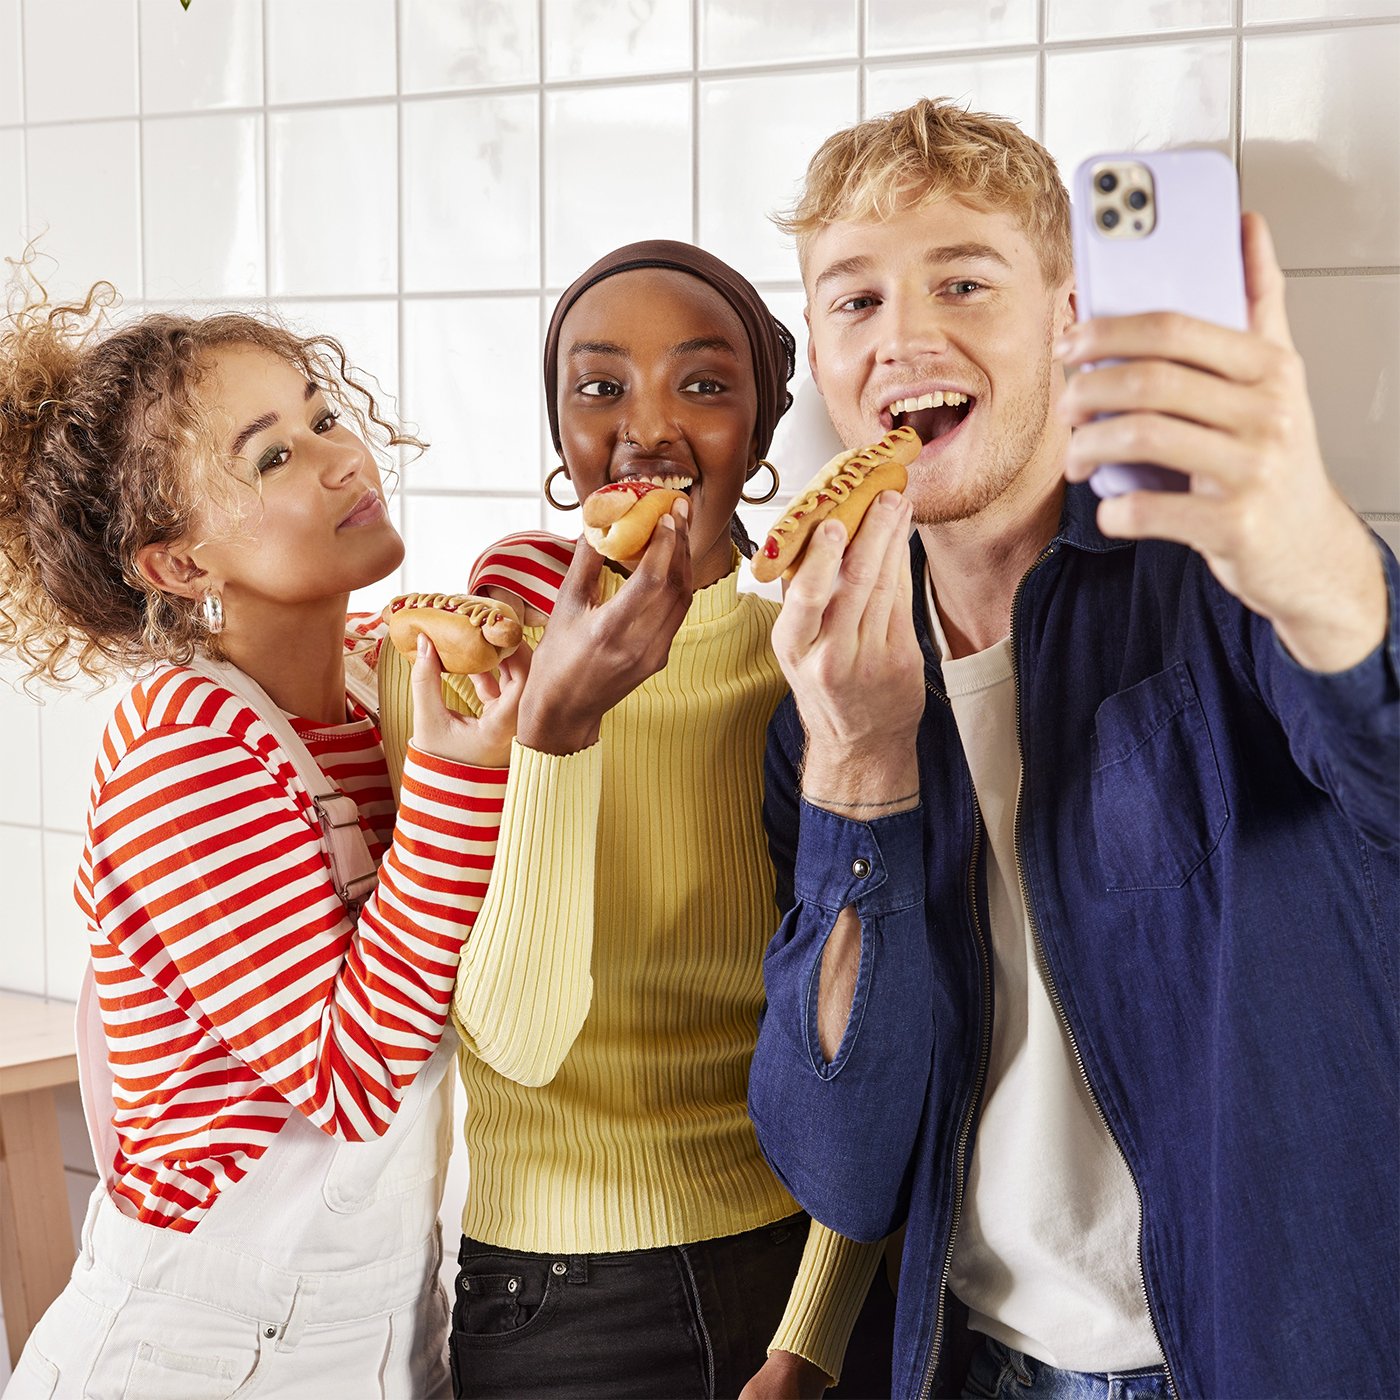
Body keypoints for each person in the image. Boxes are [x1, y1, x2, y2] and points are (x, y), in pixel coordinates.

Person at [746, 99, 1398, 1400]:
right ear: (817, 355)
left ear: (1066, 315)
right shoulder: (824, 701)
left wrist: (1316, 568)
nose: (904, 337)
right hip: (980, 1368)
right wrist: (858, 776)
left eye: (963, 280)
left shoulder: (1222, 574)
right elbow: (846, 1165)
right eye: (854, 300)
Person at [377, 240, 893, 1399]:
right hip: (560, 1307)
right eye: (599, 386)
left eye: (702, 385)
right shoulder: (462, 672)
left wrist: (811, 1332)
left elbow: (882, 1013)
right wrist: (556, 729)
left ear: (762, 432)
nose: (647, 430)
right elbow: (512, 1037)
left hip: (803, 1268)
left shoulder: (817, 654)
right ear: (559, 435)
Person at [0, 276, 527, 1399]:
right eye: (272, 456)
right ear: (179, 567)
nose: (340, 458)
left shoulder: (368, 681)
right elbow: (353, 1073)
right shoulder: (179, 745)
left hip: (380, 1323)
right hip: (202, 1349)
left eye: (320, 416)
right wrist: (459, 777)